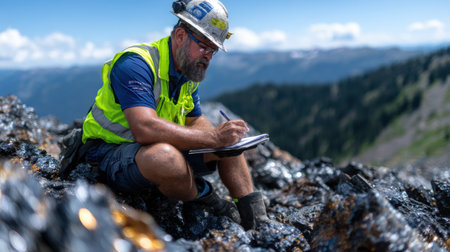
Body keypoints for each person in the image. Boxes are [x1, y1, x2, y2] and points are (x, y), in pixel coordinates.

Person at [80, 0, 271, 230]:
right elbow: (144, 128)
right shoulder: (136, 64)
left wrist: (221, 138)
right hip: (107, 153)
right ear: (180, 35)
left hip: (150, 150)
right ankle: (207, 198)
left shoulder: (187, 72)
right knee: (166, 158)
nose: (208, 56)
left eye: (213, 50)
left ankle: (256, 218)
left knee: (230, 144)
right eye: (204, 46)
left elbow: (195, 119)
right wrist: (213, 139)